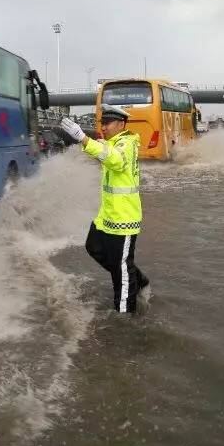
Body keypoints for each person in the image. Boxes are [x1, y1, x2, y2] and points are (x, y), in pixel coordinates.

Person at [61, 105, 150, 314]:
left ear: (121, 124)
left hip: (124, 217)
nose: (103, 127)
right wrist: (80, 141)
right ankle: (136, 279)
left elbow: (114, 159)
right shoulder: (113, 142)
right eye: (101, 123)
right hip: (107, 215)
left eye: (107, 123)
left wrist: (83, 138)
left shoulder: (127, 143)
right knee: (93, 247)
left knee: (121, 271)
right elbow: (103, 150)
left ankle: (124, 317)